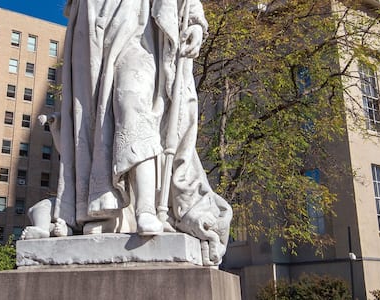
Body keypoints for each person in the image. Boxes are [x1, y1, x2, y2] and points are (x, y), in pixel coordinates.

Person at [24, 0, 231, 265]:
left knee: (131, 102)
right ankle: (105, 210)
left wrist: (194, 21)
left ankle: (146, 207)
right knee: (95, 124)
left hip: (138, 25)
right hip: (92, 28)